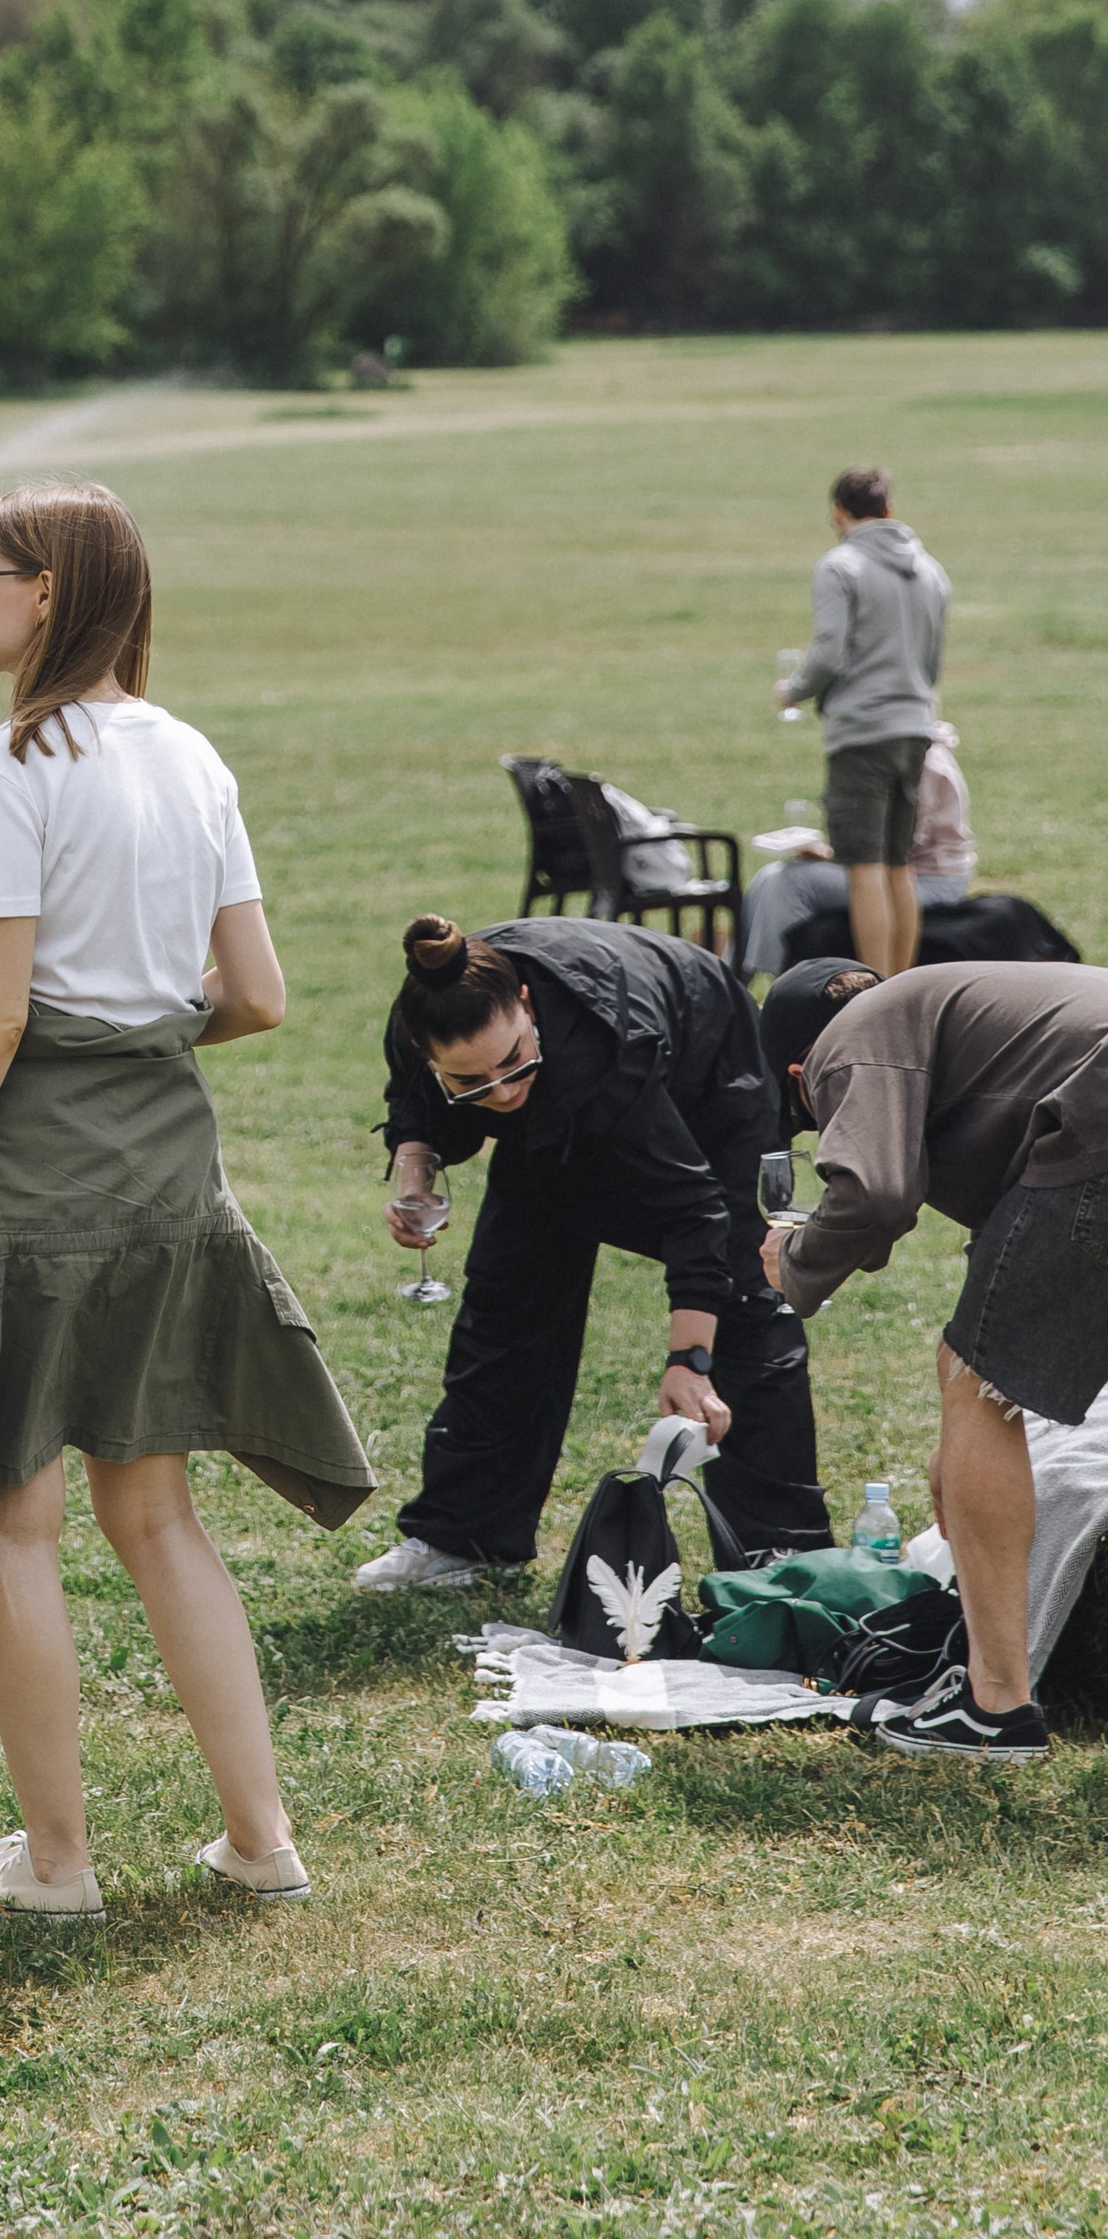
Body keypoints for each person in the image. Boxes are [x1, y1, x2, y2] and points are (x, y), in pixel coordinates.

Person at [0, 484, 374, 1917]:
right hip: (170, 1171)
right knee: (159, 1511)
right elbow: (256, 996)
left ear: (51, 594)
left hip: (34, 1178)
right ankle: (262, 1838)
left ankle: (61, 1866)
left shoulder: (13, 763)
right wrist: (140, 1033)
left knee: (13, 1516)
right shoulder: (191, 755)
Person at [355, 914, 830, 1596]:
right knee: (507, 1295)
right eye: (474, 1082)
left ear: (524, 998)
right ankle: (467, 1535)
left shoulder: (608, 1048)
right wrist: (415, 1181)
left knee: (746, 1292)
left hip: (708, 1071)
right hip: (577, 1068)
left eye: (513, 1062)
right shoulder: (422, 1022)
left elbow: (695, 1208)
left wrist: (688, 1361)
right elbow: (415, 1109)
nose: (504, 1094)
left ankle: (781, 1552)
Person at [761, 953, 1108, 1761]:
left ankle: (994, 1706)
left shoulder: (850, 1039)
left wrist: (796, 1260)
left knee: (973, 1380)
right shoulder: (955, 1013)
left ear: (796, 1072)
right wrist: (960, 1454)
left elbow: (876, 1193)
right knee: (973, 1381)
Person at [775, 468, 950, 977]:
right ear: (889, 510)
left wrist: (795, 690)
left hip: (862, 732)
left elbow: (828, 652)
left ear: (838, 512)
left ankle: (875, 993)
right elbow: (933, 660)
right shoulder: (930, 569)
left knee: (864, 868)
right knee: (900, 866)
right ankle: (903, 986)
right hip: (916, 726)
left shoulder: (840, 565)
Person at [737, 719, 975, 986]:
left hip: (928, 881)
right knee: (766, 878)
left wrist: (831, 854)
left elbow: (901, 846)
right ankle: (732, 982)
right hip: (893, 870)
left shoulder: (923, 761)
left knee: (787, 882)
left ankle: (776, 985)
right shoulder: (911, 749)